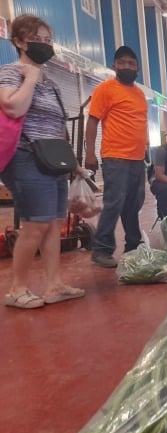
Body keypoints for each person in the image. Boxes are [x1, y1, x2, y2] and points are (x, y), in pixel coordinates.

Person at [0, 15, 88, 308]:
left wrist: (73, 163)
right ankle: (16, 289)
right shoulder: (12, 72)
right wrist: (31, 77)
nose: (45, 45)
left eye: (49, 40)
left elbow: (58, 127)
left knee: (54, 224)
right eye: (38, 39)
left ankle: (54, 285)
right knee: (34, 225)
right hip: (26, 157)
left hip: (52, 161)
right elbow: (12, 106)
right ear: (19, 41)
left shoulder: (51, 83)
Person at [84, 45, 148, 268]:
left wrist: (146, 147)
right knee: (114, 202)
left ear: (137, 68)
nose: (127, 66)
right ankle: (101, 249)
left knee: (134, 203)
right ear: (114, 66)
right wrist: (89, 152)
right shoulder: (106, 89)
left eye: (131, 63)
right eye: (122, 63)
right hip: (115, 157)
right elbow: (92, 121)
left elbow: (139, 123)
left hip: (137, 158)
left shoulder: (140, 94)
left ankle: (133, 245)